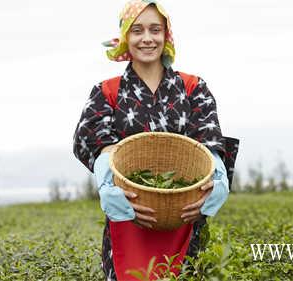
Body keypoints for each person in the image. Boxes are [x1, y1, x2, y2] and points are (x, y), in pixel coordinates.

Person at [73, 1, 239, 280]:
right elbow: (92, 142)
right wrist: (109, 188)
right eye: (137, 30)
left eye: (155, 30)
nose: (147, 38)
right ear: (126, 37)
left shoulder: (192, 87)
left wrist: (218, 180)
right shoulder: (108, 91)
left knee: (183, 272)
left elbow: (209, 142)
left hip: (185, 215)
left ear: (166, 35)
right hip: (129, 213)